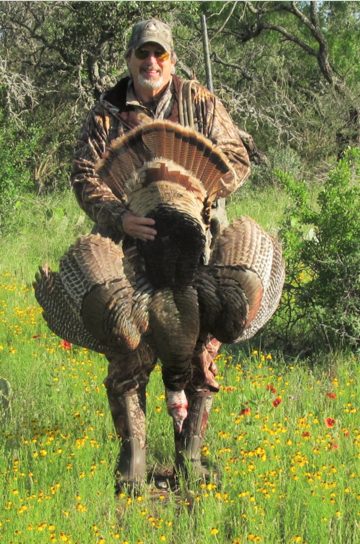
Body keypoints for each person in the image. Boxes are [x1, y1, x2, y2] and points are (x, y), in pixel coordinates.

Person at [71, 18, 251, 493]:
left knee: (199, 351)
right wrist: (118, 216)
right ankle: (134, 458)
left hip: (197, 251)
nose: (151, 63)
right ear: (129, 59)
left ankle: (189, 456)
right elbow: (85, 175)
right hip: (131, 251)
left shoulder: (200, 101)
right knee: (128, 351)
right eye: (142, 54)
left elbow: (238, 156)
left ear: (171, 59)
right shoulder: (107, 112)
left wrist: (201, 194)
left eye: (160, 55)